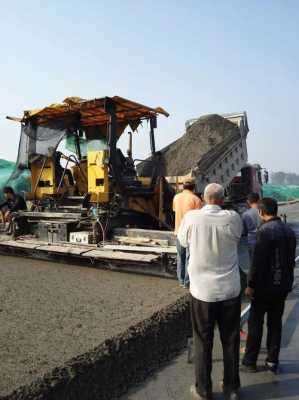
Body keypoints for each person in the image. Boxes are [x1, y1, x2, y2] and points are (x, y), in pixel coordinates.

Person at [178, 183, 243, 400]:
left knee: (202, 341)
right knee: (231, 339)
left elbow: (181, 241)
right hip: (230, 291)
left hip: (202, 292)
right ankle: (231, 388)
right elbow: (238, 237)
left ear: (204, 199)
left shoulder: (192, 218)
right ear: (222, 199)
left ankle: (204, 390)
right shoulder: (233, 218)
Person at [242, 197, 296, 373]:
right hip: (282, 286)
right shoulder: (288, 231)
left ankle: (250, 361)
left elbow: (258, 262)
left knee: (255, 324)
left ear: (261, 212)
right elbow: (290, 261)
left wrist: (250, 284)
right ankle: (272, 362)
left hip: (264, 287)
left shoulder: (264, 232)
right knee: (275, 324)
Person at [173, 181, 202, 288]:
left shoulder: (176, 197)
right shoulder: (196, 200)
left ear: (183, 187)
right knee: (189, 257)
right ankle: (187, 282)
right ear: (193, 188)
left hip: (178, 231)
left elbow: (175, 210)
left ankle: (180, 281)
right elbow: (199, 218)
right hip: (191, 233)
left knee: (180, 256)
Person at [242, 193, 261, 264]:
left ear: (248, 202)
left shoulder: (246, 214)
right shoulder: (264, 211)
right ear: (259, 200)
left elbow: (244, 231)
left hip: (252, 241)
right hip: (265, 239)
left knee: (254, 263)